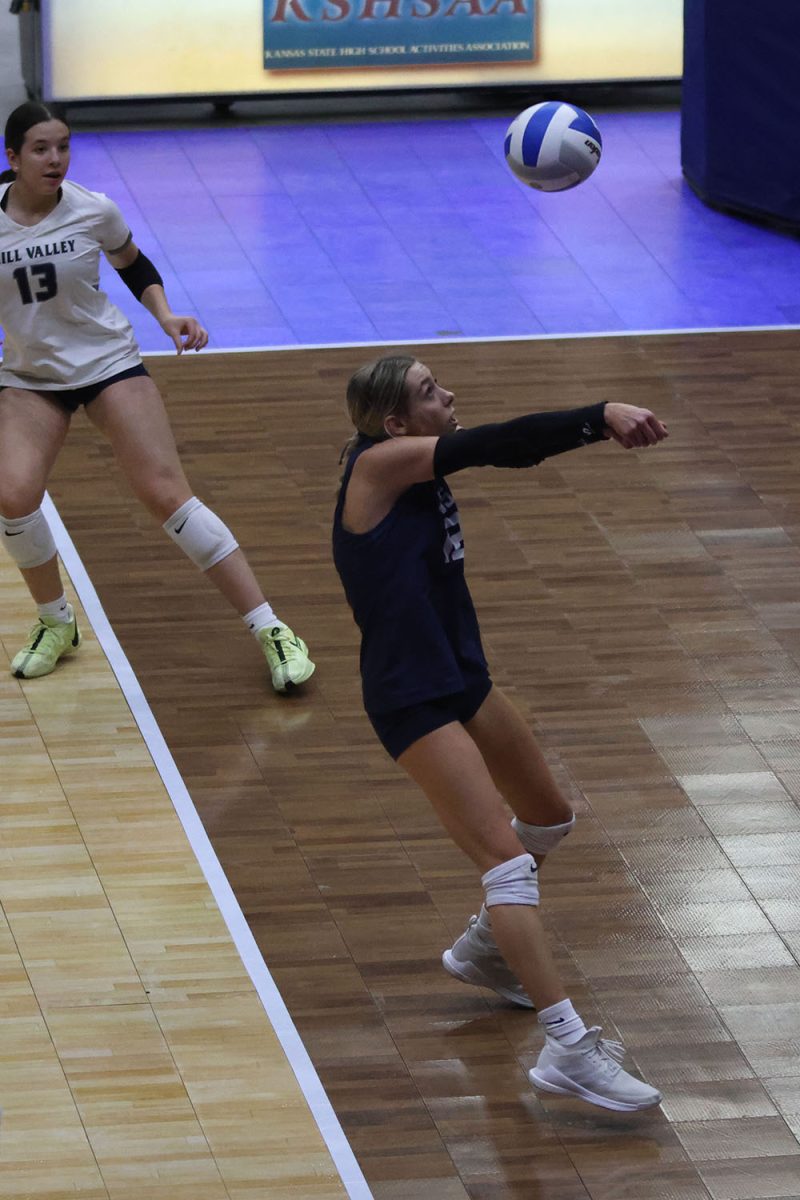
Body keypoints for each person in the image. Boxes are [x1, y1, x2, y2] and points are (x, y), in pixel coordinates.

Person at [333, 354, 669, 1112]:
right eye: (428, 393)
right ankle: (568, 1047)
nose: (447, 395)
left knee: (548, 816)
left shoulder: (403, 462)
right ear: (396, 424)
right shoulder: (384, 466)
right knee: (507, 862)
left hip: (459, 674)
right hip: (411, 696)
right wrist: (601, 413)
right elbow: (502, 443)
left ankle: (487, 948)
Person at [0, 101, 313, 693]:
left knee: (165, 493)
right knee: (14, 495)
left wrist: (166, 316)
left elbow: (132, 262)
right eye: (41, 149)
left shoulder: (94, 210)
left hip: (106, 362)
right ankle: (56, 622)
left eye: (63, 146)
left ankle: (272, 628)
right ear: (12, 156)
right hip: (30, 375)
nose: (56, 160)